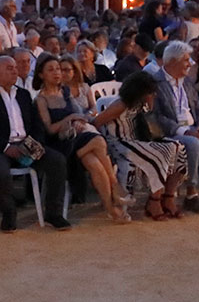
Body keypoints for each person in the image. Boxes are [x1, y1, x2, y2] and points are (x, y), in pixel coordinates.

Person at [0, 55, 71, 232]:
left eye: (15, 67)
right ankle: (9, 212)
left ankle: (53, 213)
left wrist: (33, 143)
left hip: (25, 145)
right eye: (9, 68)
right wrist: (6, 147)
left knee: (57, 161)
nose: (15, 71)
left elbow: (36, 124)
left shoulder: (23, 94)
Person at [33, 55, 129, 222]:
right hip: (59, 144)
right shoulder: (41, 99)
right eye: (51, 70)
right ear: (41, 75)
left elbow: (80, 114)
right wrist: (69, 119)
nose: (57, 73)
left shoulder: (65, 92)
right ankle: (115, 187)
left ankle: (110, 208)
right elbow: (50, 129)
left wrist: (77, 120)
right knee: (98, 141)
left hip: (77, 139)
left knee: (93, 162)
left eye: (58, 69)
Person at [94, 71, 188, 220]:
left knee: (177, 147)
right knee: (162, 151)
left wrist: (150, 101)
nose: (153, 94)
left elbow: (149, 118)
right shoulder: (120, 105)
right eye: (149, 92)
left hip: (140, 139)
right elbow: (97, 122)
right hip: (122, 142)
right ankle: (154, 200)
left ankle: (168, 196)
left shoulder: (140, 103)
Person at [152, 41, 199, 214]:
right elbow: (157, 117)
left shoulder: (186, 82)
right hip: (170, 132)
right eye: (186, 60)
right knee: (192, 143)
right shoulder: (155, 83)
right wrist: (185, 131)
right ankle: (191, 194)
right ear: (173, 61)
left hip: (193, 128)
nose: (190, 64)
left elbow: (198, 108)